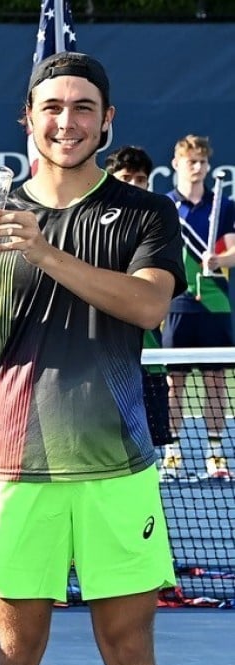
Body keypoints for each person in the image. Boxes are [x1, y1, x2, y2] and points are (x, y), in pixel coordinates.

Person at [0, 53, 184, 665]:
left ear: (107, 119)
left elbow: (147, 306)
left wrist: (43, 248)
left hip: (118, 468)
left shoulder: (145, 211)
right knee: (11, 658)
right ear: (27, 120)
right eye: (52, 108)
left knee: (130, 652)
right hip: (19, 469)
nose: (68, 122)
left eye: (83, 107)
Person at [159, 134, 235, 480]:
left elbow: (234, 251)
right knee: (175, 384)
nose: (198, 167)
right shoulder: (165, 207)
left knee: (216, 382)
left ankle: (216, 453)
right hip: (177, 306)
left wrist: (219, 257)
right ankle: (172, 453)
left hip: (215, 305)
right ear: (177, 164)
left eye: (203, 162)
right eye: (191, 161)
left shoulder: (224, 206)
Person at [104, 146, 174, 453]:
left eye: (140, 179)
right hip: (102, 346)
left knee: (151, 432)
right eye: (126, 177)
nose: (133, 184)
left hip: (147, 343)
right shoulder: (94, 221)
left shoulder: (157, 223)